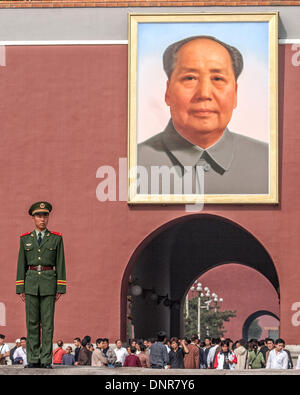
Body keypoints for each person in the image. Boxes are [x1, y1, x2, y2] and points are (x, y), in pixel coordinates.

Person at [137, 35, 268, 195]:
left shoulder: (269, 162)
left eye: (218, 78)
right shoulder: (133, 164)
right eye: (190, 78)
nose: (204, 93)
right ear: (168, 92)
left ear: (235, 94)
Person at [16, 201, 66, 369]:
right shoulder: (25, 239)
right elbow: (21, 264)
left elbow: (60, 263)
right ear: (33, 218)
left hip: (48, 283)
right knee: (32, 323)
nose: (42, 219)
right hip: (30, 283)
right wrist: (20, 287)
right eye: (39, 216)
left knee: (47, 323)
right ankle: (33, 358)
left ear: (48, 218)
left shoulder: (56, 238)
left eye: (45, 216)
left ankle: (45, 359)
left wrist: (60, 286)